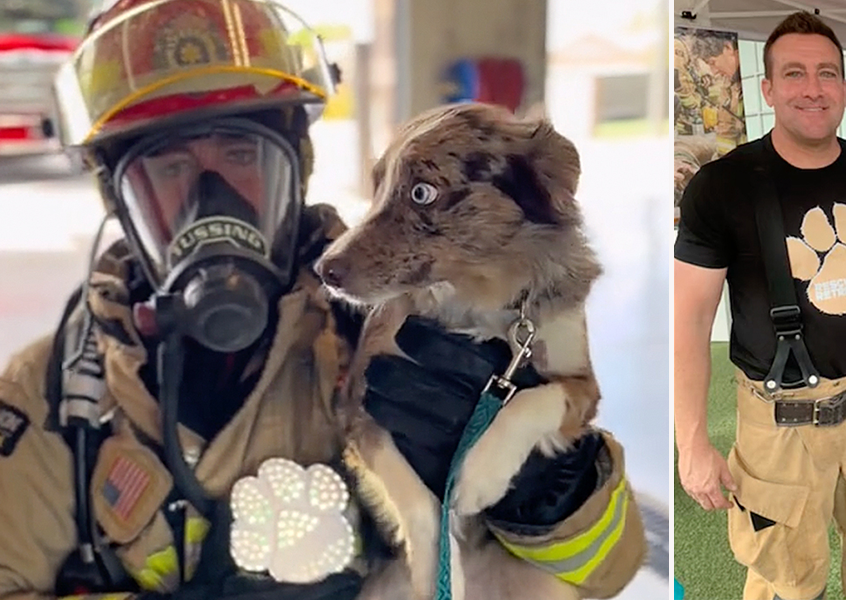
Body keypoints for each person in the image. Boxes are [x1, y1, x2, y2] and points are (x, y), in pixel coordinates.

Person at [0, 0, 644, 598]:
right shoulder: (54, 394)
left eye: (240, 152)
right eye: (169, 168)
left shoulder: (424, 320)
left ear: (297, 165)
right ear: (120, 203)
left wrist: (547, 491)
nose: (211, 198)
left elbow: (609, 569)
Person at [674, 11, 846, 600]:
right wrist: (691, 441)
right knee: (788, 577)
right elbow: (687, 322)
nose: (812, 88)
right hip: (778, 425)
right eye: (794, 74)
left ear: (844, 86)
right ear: (768, 88)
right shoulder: (720, 187)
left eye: (827, 74)